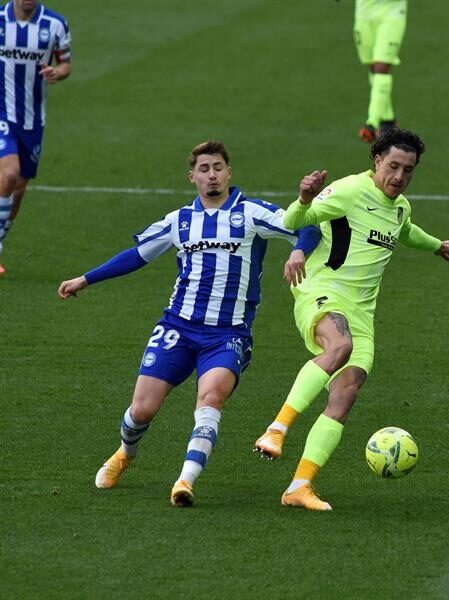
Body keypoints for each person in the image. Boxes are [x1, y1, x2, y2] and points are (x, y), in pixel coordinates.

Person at [57, 140, 321, 507]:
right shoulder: (179, 221)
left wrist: (298, 250)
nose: (212, 175)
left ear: (229, 172)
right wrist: (86, 279)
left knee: (210, 399)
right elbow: (136, 255)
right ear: (192, 177)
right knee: (142, 410)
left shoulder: (252, 213)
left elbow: (308, 226)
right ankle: (125, 454)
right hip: (177, 328)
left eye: (218, 168)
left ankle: (185, 481)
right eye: (204, 169)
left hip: (227, 334)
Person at [252, 128, 449, 510]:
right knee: (340, 345)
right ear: (377, 160)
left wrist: (438, 245)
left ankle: (299, 487)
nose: (399, 176)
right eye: (393, 166)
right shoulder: (349, 190)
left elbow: (405, 231)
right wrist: (304, 198)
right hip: (322, 292)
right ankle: (276, 429)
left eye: (408, 170)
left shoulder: (400, 207)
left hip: (362, 313)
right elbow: (296, 219)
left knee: (345, 393)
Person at [0, 0, 71, 277]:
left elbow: (65, 64)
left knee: (18, 187)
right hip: (2, 113)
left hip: (32, 120)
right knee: (8, 175)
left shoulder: (55, 24)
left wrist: (57, 72)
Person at [352, 0, 408, 143]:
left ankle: (372, 123)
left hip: (392, 13)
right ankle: (388, 122)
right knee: (372, 67)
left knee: (381, 67)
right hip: (364, 14)